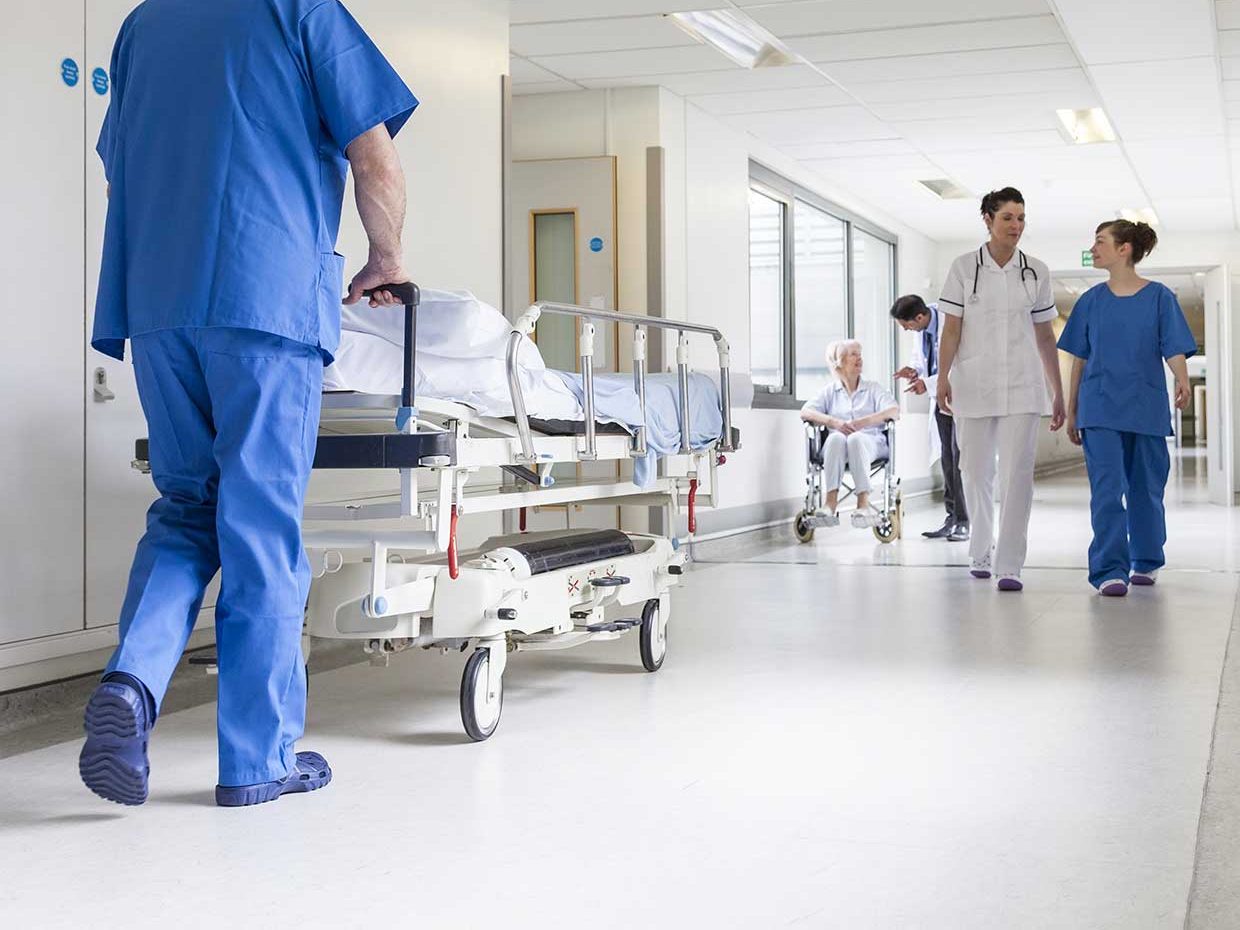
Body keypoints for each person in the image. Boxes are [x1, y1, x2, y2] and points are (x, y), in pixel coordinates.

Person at [80, 0, 417, 808]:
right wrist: (387, 258)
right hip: (265, 301)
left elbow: (118, 170)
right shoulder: (300, 10)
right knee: (260, 524)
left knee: (186, 509)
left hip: (158, 306)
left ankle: (131, 682)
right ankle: (256, 761)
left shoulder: (141, 26)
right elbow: (373, 156)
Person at [936, 188, 1066, 591]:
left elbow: (1045, 336)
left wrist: (1058, 391)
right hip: (973, 384)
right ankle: (980, 549)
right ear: (988, 219)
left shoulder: (1036, 271)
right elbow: (951, 329)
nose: (1016, 225)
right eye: (1008, 217)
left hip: (1023, 385)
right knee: (974, 472)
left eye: (1021, 218)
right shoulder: (963, 267)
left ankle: (1009, 564)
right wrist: (942, 378)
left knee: (1017, 476)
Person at [1058, 221, 1194, 596]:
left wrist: (1182, 379)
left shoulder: (1159, 297)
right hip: (1099, 407)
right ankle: (1109, 570)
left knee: (1146, 489)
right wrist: (1072, 409)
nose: (1093, 249)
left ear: (1124, 249)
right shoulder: (1090, 301)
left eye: (1100, 242)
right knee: (1106, 490)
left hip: (1145, 405)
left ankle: (1145, 559)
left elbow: (1173, 346)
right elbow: (1079, 359)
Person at [892, 295, 969, 542]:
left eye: (907, 325)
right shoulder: (923, 329)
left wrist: (927, 383)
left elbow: (958, 364)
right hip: (940, 400)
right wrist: (914, 371)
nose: (906, 330)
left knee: (959, 459)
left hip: (959, 396)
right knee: (947, 459)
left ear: (919, 317)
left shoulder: (951, 321)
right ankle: (951, 517)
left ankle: (965, 521)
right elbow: (924, 360)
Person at [800, 340, 900, 528]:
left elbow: (894, 411)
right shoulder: (830, 391)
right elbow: (805, 412)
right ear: (839, 361)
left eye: (860, 354)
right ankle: (830, 503)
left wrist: (863, 422)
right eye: (853, 354)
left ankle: (863, 504)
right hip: (837, 449)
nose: (859, 358)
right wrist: (834, 422)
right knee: (836, 437)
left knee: (855, 438)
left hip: (870, 444)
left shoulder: (873, 389)